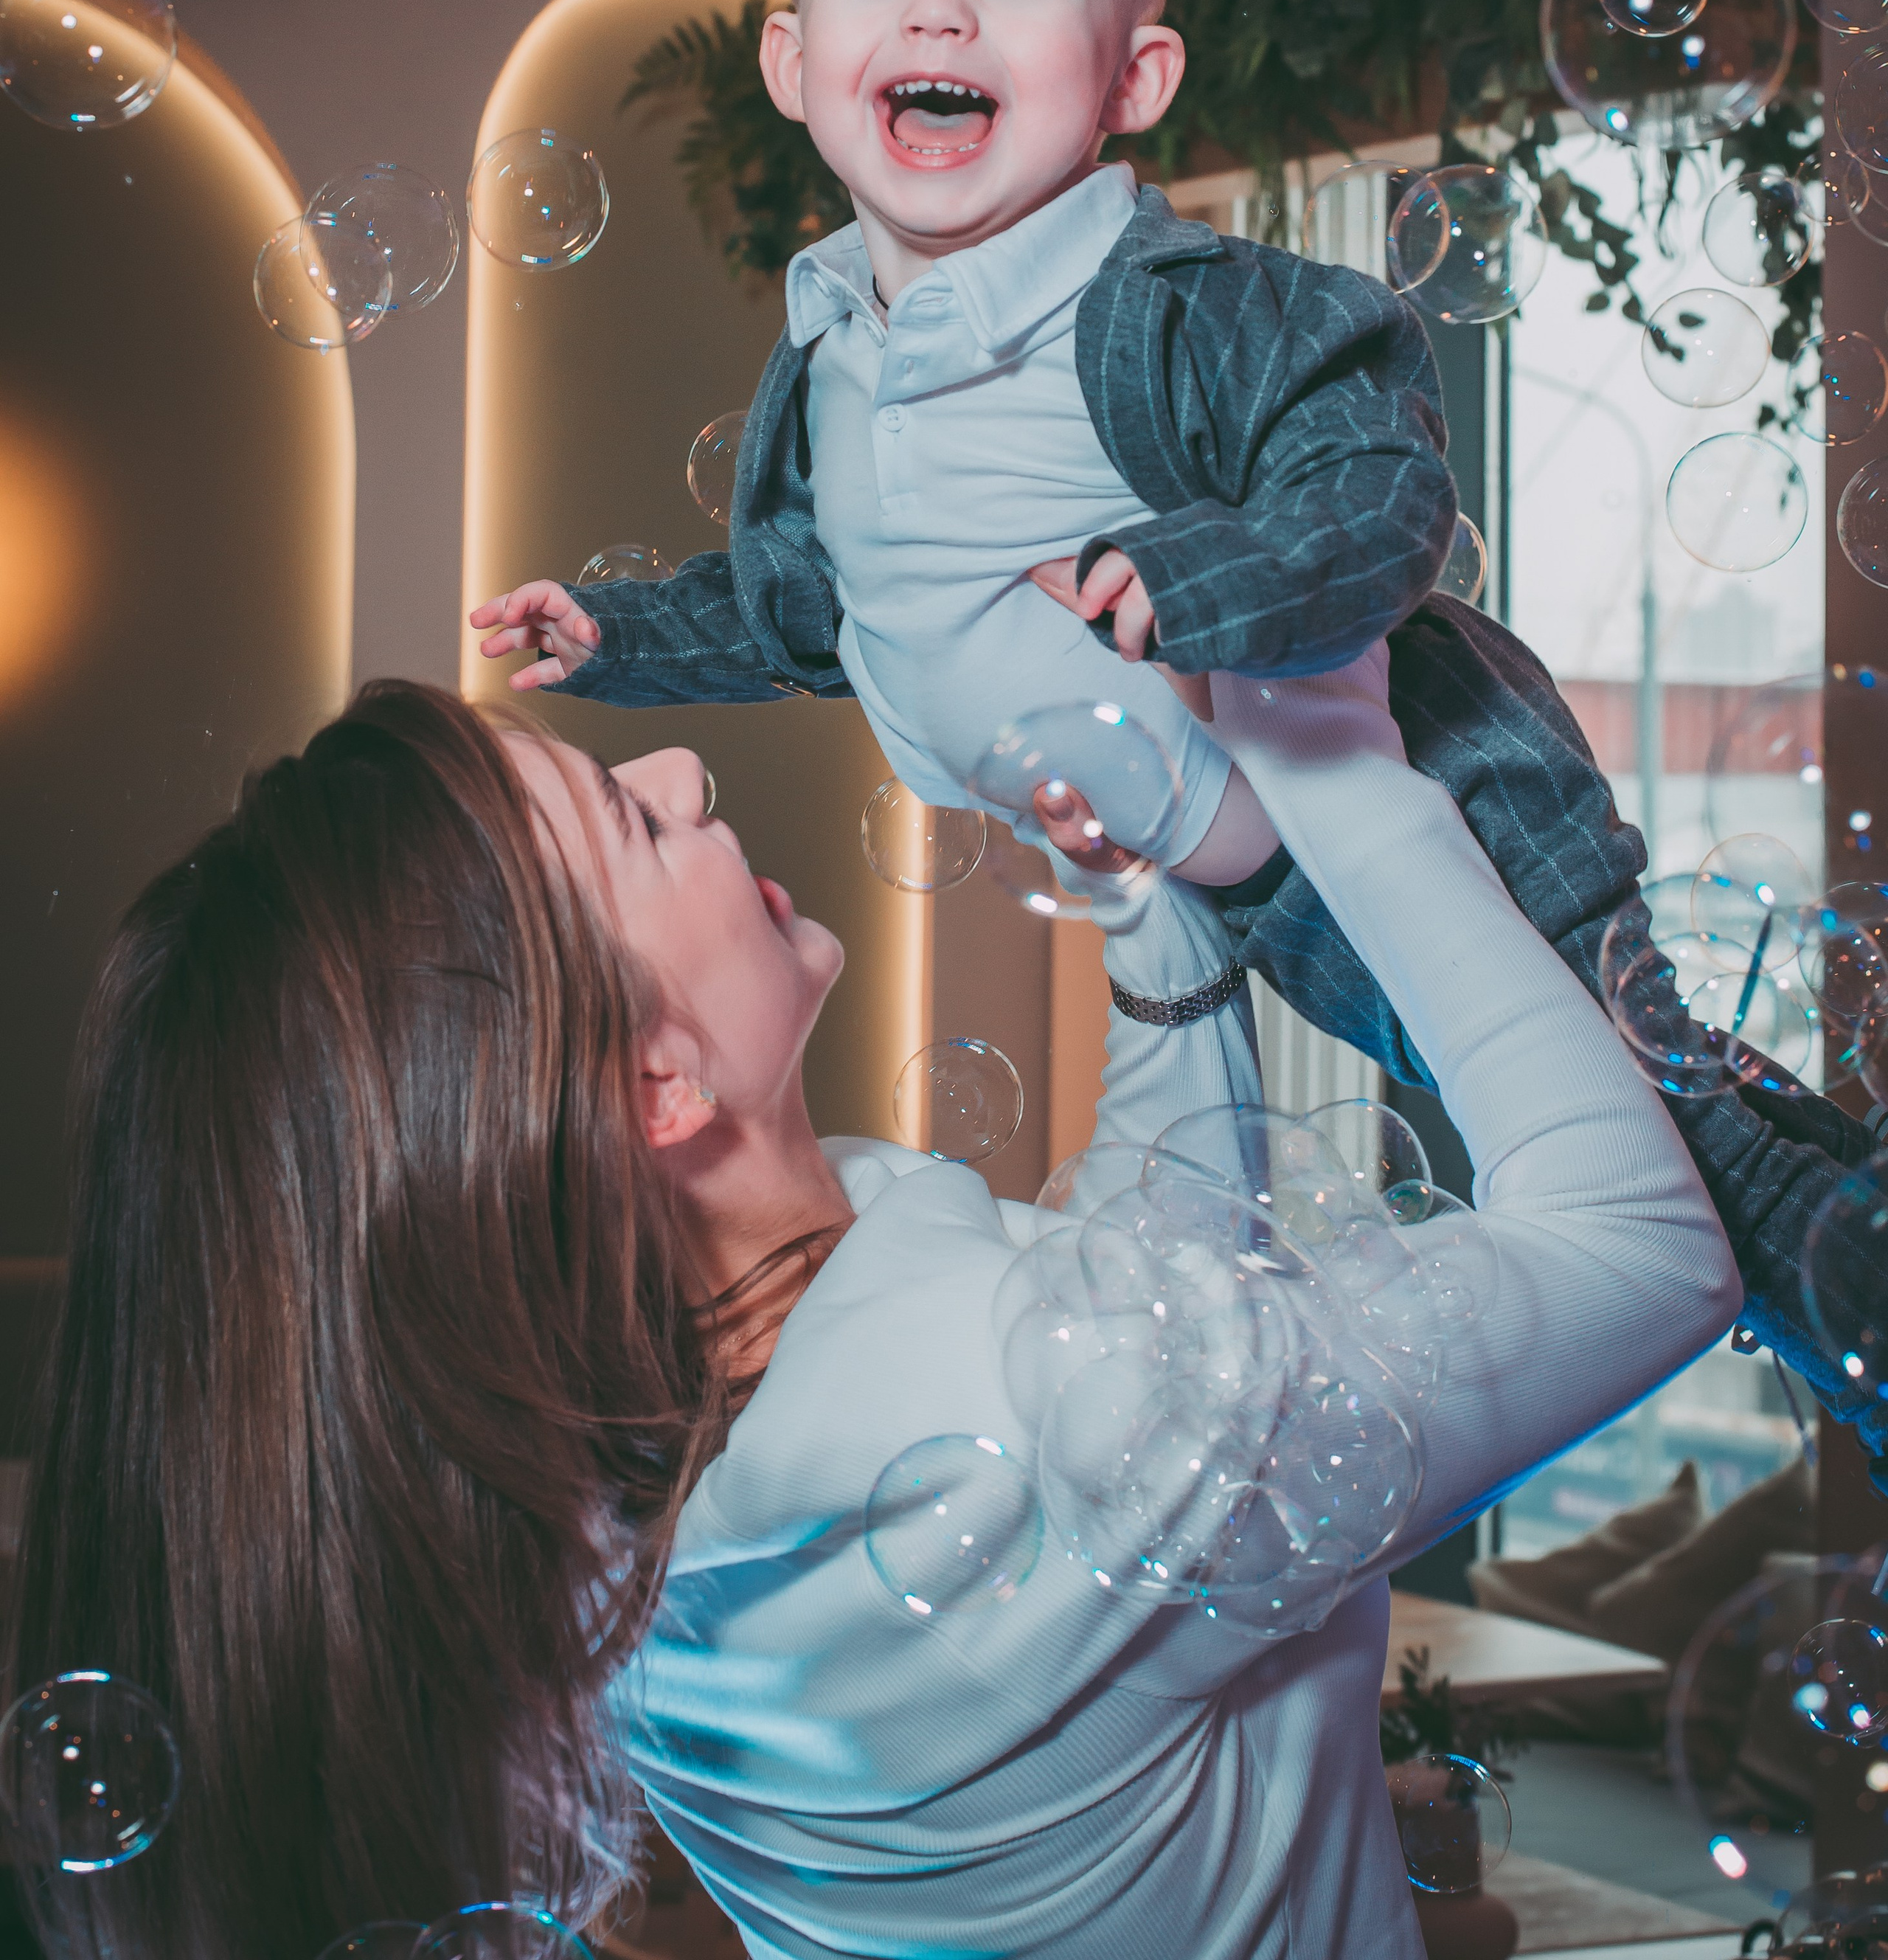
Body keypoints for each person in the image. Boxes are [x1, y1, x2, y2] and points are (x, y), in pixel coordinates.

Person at [470, 0, 1872, 1430]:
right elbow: (808, 602)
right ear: (790, 56)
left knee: (1682, 1157)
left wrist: (1202, 577)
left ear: (1130, 81)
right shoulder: (831, 348)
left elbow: (1375, 482)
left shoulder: (1174, 309)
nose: (937, 15)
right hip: (1254, 876)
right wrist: (618, 631)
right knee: (1677, 1113)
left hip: (1410, 793)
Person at [15, 670, 1740, 1960]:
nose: (684, 765)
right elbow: (1640, 1247)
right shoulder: (1017, 1425)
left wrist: (1150, 915)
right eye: (629, 819)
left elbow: (1127, 1287)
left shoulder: (643, 1468)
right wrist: (1319, 723)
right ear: (653, 1080)